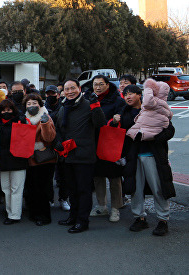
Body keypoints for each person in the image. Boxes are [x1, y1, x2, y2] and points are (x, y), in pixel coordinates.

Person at [117, 85, 176, 236]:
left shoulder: (153, 108)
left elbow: (170, 129)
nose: (127, 97)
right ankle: (139, 218)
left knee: (158, 188)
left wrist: (156, 138)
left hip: (153, 155)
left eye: (131, 94)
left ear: (139, 95)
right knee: (136, 188)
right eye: (125, 95)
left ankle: (163, 220)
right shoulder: (125, 112)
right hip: (133, 157)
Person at [56, 79, 105, 233]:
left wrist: (95, 105)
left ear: (79, 88)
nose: (70, 91)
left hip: (84, 155)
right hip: (67, 154)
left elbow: (100, 123)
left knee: (83, 190)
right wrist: (57, 142)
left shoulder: (88, 104)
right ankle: (73, 216)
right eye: (66, 89)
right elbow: (58, 127)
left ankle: (82, 221)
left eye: (73, 88)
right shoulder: (64, 105)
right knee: (72, 189)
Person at [87, 75, 126, 222]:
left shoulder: (117, 100)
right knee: (97, 176)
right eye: (95, 84)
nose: (97, 87)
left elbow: (121, 117)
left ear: (108, 85)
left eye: (101, 84)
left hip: (111, 141)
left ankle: (116, 208)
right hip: (94, 141)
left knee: (114, 177)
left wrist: (114, 122)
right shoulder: (89, 98)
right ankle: (101, 206)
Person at [23, 93, 57, 226]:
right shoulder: (24, 119)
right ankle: (33, 213)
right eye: (29, 104)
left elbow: (49, 138)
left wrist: (44, 123)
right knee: (32, 187)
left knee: (42, 188)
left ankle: (44, 216)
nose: (32, 106)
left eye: (34, 103)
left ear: (40, 104)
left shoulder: (46, 117)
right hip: (30, 158)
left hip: (44, 159)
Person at [0, 99, 29, 225]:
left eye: (9, 110)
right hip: (3, 160)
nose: (6, 112)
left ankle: (14, 215)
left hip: (18, 159)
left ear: (13, 110)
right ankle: (9, 211)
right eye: (3, 110)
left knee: (16, 188)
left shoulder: (20, 121)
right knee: (5, 188)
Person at [44, 84, 68, 211]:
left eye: (52, 94)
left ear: (58, 95)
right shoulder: (42, 109)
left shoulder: (64, 108)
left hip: (61, 145)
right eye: (48, 94)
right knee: (48, 175)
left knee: (63, 175)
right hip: (47, 146)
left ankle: (63, 199)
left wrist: (59, 141)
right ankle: (49, 199)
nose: (50, 96)